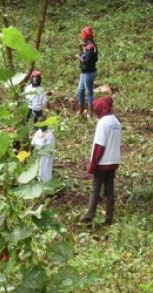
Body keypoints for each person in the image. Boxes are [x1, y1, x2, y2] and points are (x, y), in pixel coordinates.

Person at [81, 96, 121, 225]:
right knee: (110, 190)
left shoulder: (103, 123)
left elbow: (99, 146)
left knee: (95, 189)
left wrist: (92, 165)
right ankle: (109, 218)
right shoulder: (116, 122)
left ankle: (89, 216)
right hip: (113, 161)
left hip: (103, 162)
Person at [77, 26, 98, 119]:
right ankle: (81, 110)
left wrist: (79, 58)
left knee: (89, 92)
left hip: (88, 73)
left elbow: (88, 60)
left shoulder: (91, 47)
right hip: (84, 72)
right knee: (80, 91)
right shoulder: (89, 46)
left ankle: (90, 112)